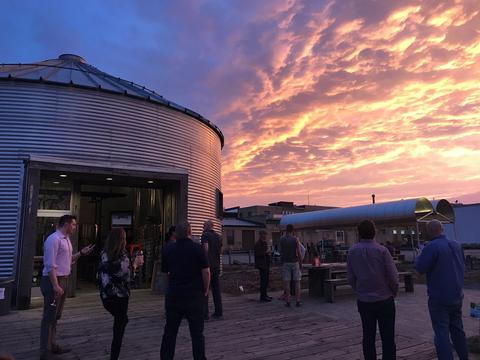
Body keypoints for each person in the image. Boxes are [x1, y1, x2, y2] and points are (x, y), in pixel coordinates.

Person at [40, 215, 95, 360]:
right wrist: (55, 285)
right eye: (74, 224)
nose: (75, 227)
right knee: (48, 317)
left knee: (55, 316)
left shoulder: (66, 240)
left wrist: (81, 253)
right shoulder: (54, 239)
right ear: (66, 224)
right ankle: (43, 352)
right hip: (54, 281)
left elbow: (67, 260)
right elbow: (50, 264)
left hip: (63, 279)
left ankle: (52, 344)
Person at [414, 220, 468, 360]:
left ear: (429, 231)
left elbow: (420, 268)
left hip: (439, 298)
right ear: (442, 229)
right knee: (458, 330)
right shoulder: (456, 245)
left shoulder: (432, 247)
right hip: (457, 295)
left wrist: (420, 253)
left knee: (441, 333)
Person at [347, 219, 398, 360]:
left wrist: (359, 290)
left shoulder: (352, 251)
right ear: (374, 232)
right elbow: (393, 276)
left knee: (368, 336)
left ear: (359, 233)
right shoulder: (382, 251)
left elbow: (350, 277)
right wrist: (394, 291)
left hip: (364, 300)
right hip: (384, 299)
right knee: (388, 337)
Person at [160, 222, 210, 360]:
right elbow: (206, 272)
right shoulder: (198, 249)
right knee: (197, 334)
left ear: (176, 234)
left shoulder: (168, 249)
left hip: (174, 295)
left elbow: (165, 273)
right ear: (190, 232)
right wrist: (205, 290)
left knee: (170, 332)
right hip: (194, 296)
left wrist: (168, 289)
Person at [98, 228, 133, 360]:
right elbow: (124, 274)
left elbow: (105, 272)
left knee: (120, 322)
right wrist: (134, 265)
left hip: (106, 295)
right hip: (120, 295)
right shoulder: (123, 255)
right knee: (119, 327)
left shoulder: (104, 253)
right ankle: (114, 357)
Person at [201, 220, 223, 320]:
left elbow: (205, 249)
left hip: (208, 266)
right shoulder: (218, 236)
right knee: (216, 290)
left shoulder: (205, 235)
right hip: (216, 266)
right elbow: (221, 251)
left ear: (208, 226)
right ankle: (219, 312)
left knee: (205, 290)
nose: (202, 227)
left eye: (203, 225)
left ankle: (205, 314)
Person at [280, 224, 302, 307]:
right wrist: (300, 262)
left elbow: (281, 252)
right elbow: (299, 252)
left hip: (285, 262)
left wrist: (281, 262)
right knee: (297, 282)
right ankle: (298, 301)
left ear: (286, 230)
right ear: (293, 230)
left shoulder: (282, 239)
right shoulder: (295, 239)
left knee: (287, 282)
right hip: (294, 261)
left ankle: (288, 301)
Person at [254, 230, 272, 302]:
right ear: (260, 235)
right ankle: (263, 296)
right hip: (262, 265)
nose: (265, 236)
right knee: (263, 281)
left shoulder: (264, 243)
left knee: (266, 280)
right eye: (263, 234)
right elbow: (258, 254)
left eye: (265, 234)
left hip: (266, 264)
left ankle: (265, 295)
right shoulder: (258, 244)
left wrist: (268, 253)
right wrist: (266, 252)